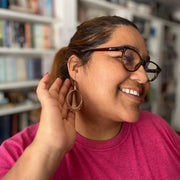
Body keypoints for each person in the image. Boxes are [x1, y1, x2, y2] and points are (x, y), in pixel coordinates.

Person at [0, 16, 180, 180]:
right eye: (126, 58)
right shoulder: (15, 153)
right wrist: (48, 149)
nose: (143, 78)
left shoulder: (159, 129)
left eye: (144, 65)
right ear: (76, 67)